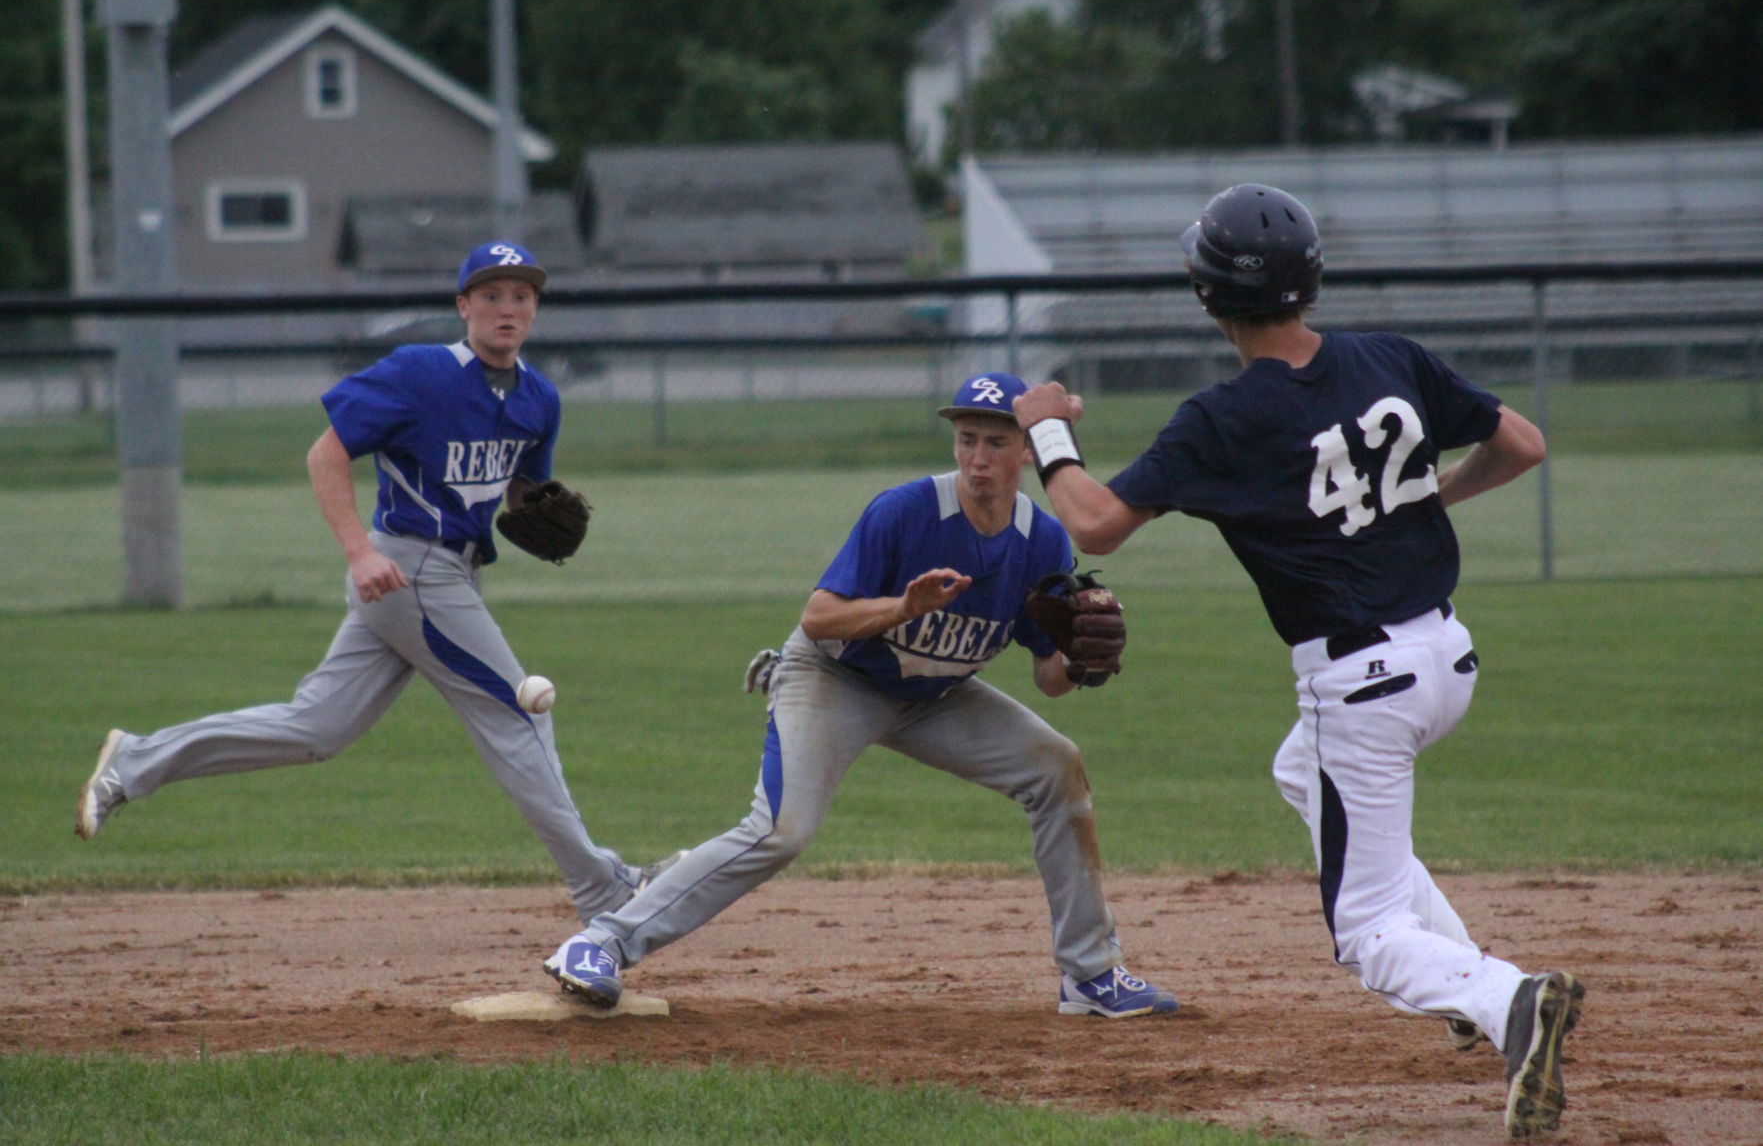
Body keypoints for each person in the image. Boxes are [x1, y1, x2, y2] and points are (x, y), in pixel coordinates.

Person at [1011, 184, 1583, 1138]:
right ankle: (1464, 988)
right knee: (1298, 772)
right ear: (1308, 280)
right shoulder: (1387, 356)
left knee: (1362, 935)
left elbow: (1093, 522)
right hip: (1445, 654)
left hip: (1359, 685)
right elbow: (1520, 444)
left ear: (1206, 294)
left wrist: (1045, 427)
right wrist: (1428, 498)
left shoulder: (1224, 418)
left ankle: (1505, 999)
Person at [543, 373, 1178, 1019]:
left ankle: (1091, 973)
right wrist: (904, 604)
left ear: (1026, 452)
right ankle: (602, 941)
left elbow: (1049, 675)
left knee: (1054, 763)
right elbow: (818, 617)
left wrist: (1081, 661)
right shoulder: (904, 511)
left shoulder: (1041, 539)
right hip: (834, 678)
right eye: (965, 440)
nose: (978, 457)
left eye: (994, 441)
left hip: (936, 693)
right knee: (781, 830)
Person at [76, 241, 673, 926]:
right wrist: (359, 552)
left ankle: (135, 762)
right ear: (462, 307)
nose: (507, 308)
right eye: (491, 295)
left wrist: (535, 509)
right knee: (517, 714)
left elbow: (520, 488)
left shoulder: (539, 398)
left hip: (450, 575)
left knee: (317, 726)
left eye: (520, 295)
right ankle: (603, 886)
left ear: (536, 307)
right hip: (409, 567)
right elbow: (325, 453)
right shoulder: (419, 373)